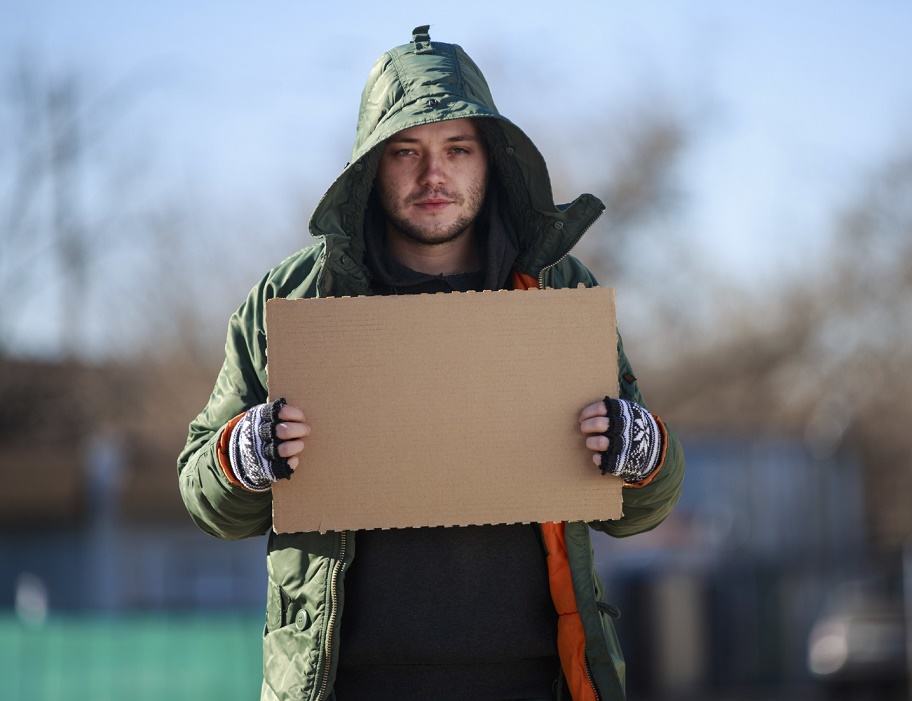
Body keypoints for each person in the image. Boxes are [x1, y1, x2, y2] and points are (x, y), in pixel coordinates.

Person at [177, 25, 685, 701]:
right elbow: (204, 493)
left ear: (491, 160)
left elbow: (637, 506)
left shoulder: (557, 290)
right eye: (404, 152)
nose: (432, 174)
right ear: (369, 166)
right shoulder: (294, 300)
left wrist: (640, 449)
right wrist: (242, 454)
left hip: (537, 684)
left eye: (456, 149)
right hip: (345, 686)